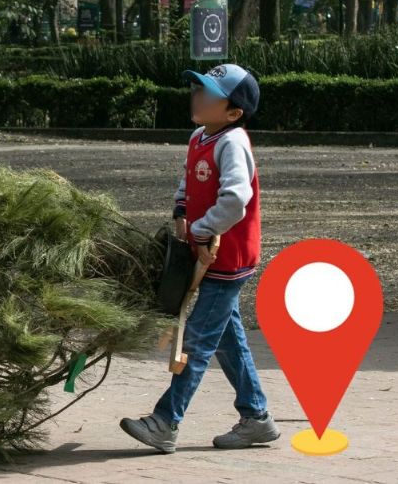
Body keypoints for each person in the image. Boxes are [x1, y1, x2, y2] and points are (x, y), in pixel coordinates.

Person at [119, 64, 280, 454]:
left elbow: (235, 200)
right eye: (198, 88)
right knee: (228, 339)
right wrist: (180, 211)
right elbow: (188, 182)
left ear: (233, 112)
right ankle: (257, 417)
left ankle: (165, 421)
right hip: (204, 254)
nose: (197, 95)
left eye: (209, 93)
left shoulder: (232, 142)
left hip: (227, 260)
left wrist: (201, 229)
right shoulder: (199, 137)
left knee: (197, 341)